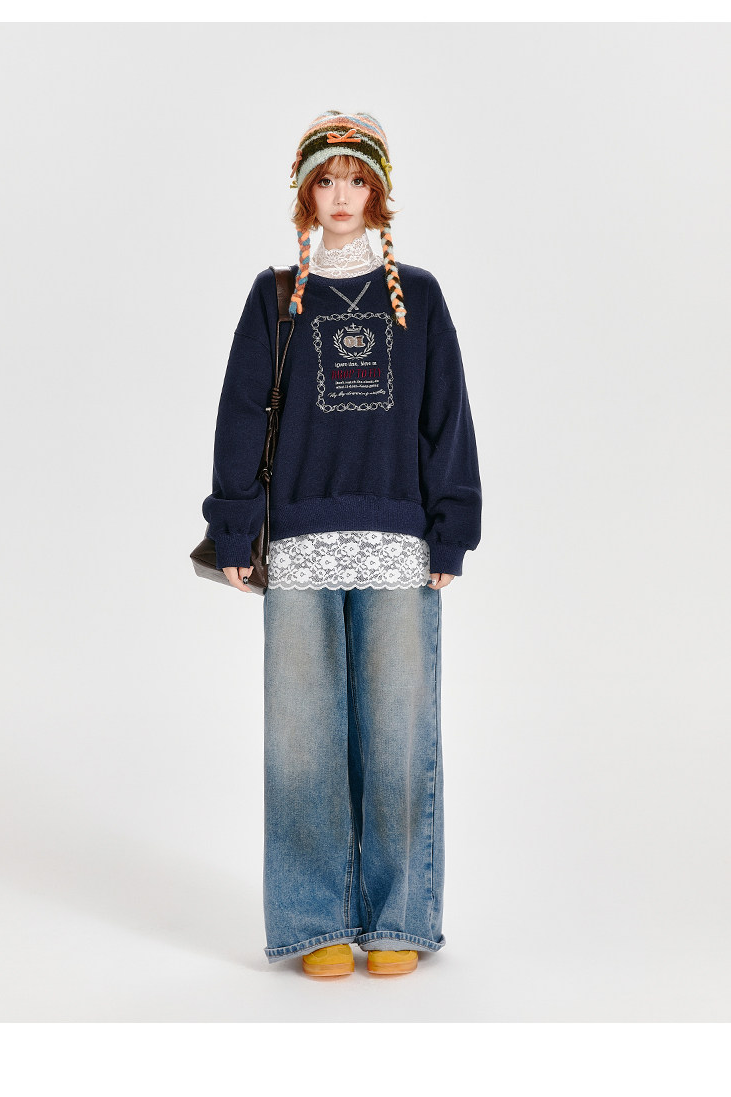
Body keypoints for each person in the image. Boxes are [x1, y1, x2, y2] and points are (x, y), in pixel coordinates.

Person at [202, 110, 482, 977]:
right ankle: (313, 918)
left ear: (379, 192)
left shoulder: (420, 298)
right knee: (302, 741)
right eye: (325, 180)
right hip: (299, 547)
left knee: (399, 736)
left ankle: (400, 917)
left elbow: (446, 419)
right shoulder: (275, 297)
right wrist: (233, 526)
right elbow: (241, 415)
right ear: (305, 194)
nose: (341, 195)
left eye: (356, 179)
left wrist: (453, 527)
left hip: (400, 547)